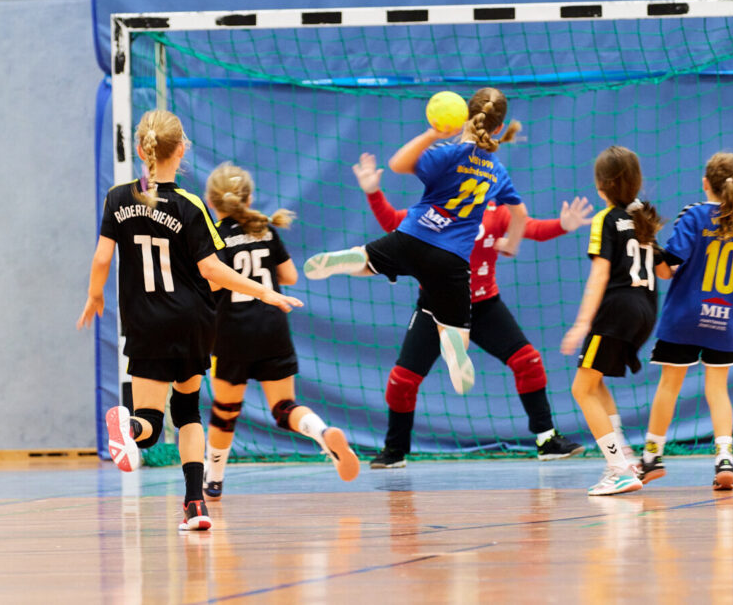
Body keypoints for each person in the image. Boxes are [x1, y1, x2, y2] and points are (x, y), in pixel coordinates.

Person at [77, 110, 303, 531]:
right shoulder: (189, 205)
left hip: (142, 322)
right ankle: (195, 505)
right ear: (180, 150)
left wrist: (93, 295)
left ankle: (129, 425)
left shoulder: (117, 197)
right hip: (191, 321)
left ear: (145, 148)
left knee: (151, 418)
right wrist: (266, 291)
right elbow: (213, 271)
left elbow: (103, 256)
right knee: (188, 412)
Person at [350, 152, 591, 467]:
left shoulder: (497, 212)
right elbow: (393, 222)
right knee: (402, 381)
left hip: (483, 306)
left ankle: (547, 439)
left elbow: (531, 227)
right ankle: (394, 451)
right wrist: (373, 192)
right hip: (438, 309)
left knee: (528, 362)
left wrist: (563, 225)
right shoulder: (437, 210)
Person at [304, 87, 529, 398]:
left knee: (366, 261)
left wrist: (432, 133)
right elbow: (521, 214)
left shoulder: (448, 154)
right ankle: (452, 348)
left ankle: (351, 258)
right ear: (499, 128)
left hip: (412, 236)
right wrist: (511, 243)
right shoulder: (496, 171)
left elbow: (397, 164)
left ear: (465, 117)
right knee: (454, 331)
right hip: (451, 259)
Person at [202, 162, 359, 499]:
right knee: (284, 407)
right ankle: (322, 431)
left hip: (232, 334)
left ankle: (213, 479)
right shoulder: (266, 230)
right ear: (249, 197)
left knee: (225, 412)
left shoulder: (213, 237)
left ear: (212, 201)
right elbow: (289, 278)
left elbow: (211, 287)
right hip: (272, 328)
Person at [638, 152, 733, 491]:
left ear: (705, 182)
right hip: (723, 318)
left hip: (684, 316)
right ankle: (725, 458)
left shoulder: (693, 215)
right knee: (718, 388)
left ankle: (652, 456)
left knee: (670, 384)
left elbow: (668, 268)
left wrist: (649, 243)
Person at [560, 145, 663, 496]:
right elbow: (666, 270)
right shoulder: (642, 219)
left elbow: (599, 275)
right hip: (645, 314)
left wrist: (581, 323)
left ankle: (618, 467)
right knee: (596, 382)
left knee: (580, 388)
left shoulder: (607, 219)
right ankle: (626, 459)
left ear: (601, 185)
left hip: (617, 311)